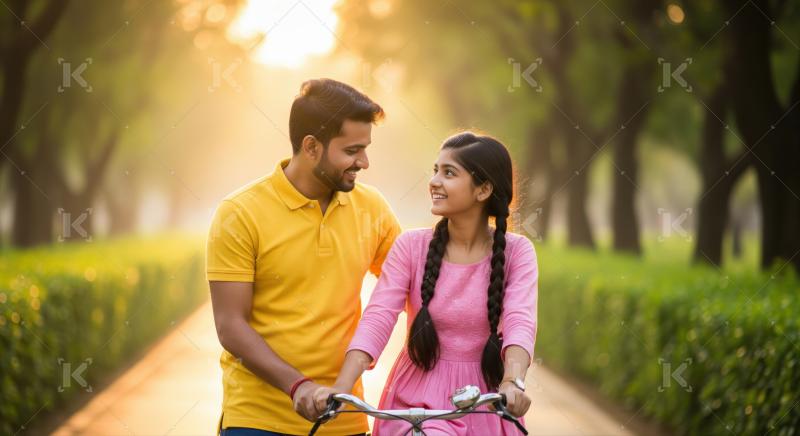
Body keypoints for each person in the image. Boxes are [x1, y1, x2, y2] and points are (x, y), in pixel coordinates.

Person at [206, 78, 401, 435]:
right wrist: (298, 386)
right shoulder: (240, 213)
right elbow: (230, 325)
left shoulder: (373, 208)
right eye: (353, 150)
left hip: (344, 418)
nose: (364, 162)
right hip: (256, 420)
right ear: (311, 146)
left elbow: (416, 286)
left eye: (365, 149)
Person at [317, 132, 538, 435]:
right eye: (435, 170)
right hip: (414, 401)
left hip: (484, 401)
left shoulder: (517, 252)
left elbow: (520, 320)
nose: (434, 181)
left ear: (484, 189)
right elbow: (379, 316)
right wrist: (342, 387)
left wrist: (512, 382)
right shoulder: (411, 246)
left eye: (449, 173)